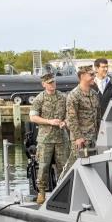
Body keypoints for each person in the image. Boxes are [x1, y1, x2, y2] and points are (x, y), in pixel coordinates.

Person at [28, 73, 69, 205]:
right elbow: (33, 117)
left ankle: (64, 191)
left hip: (61, 138)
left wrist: (65, 122)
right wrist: (49, 121)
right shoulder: (39, 99)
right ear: (44, 84)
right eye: (50, 83)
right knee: (43, 166)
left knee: (64, 166)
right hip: (45, 138)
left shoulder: (63, 97)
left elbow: (71, 113)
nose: (52, 85)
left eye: (54, 82)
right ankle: (41, 192)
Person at [62, 67, 101, 174]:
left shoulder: (94, 94)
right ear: (82, 76)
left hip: (93, 138)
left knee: (93, 168)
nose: (94, 77)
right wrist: (78, 137)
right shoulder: (74, 95)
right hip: (81, 140)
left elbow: (98, 116)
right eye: (91, 75)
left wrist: (100, 134)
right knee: (77, 168)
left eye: (94, 75)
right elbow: (71, 118)